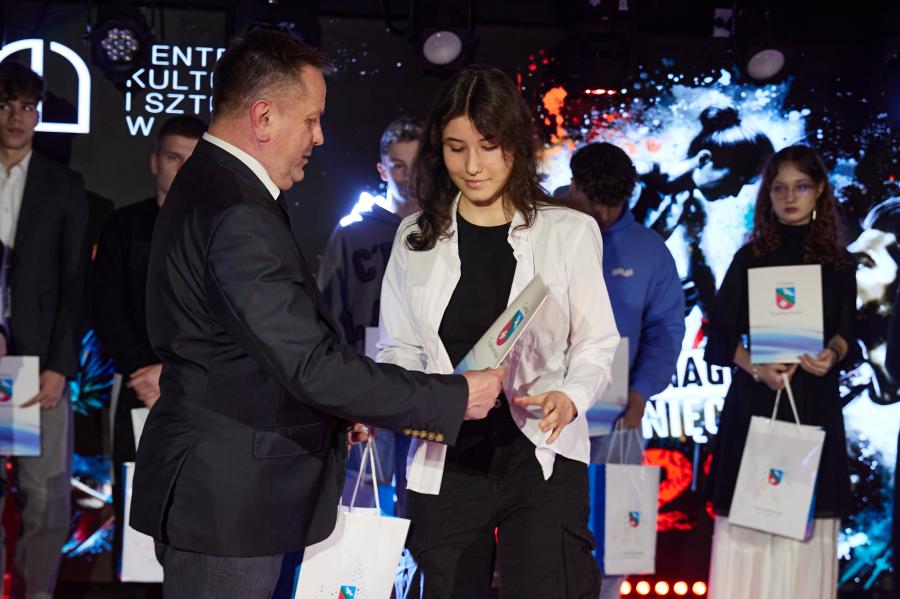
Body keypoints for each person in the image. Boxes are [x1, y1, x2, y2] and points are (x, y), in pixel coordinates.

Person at [129, 29, 504, 599]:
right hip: (230, 502)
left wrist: (330, 412)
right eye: (310, 120)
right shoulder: (236, 211)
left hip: (225, 490)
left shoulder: (215, 186)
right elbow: (307, 363)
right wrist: (452, 397)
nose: (319, 136)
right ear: (263, 118)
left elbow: (248, 354)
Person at [377, 65, 620, 599]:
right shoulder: (415, 237)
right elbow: (397, 347)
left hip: (541, 453)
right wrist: (421, 401)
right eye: (456, 148)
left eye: (488, 147)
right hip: (446, 457)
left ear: (515, 144)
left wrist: (571, 396)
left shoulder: (569, 231)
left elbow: (597, 341)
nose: (472, 166)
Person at [704, 145, 855, 599]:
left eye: (801, 187)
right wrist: (756, 367)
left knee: (807, 525)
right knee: (750, 521)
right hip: (755, 403)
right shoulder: (749, 258)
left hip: (814, 405)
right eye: (780, 188)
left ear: (820, 190)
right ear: (767, 194)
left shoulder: (839, 263)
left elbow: (848, 332)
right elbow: (719, 336)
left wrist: (832, 354)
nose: (790, 197)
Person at [92, 114, 206, 594]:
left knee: (195, 507)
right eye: (174, 158)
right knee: (134, 501)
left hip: (199, 392)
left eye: (192, 160)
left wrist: (172, 373)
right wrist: (143, 370)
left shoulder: (219, 228)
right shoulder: (123, 226)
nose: (181, 169)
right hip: (137, 388)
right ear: (155, 162)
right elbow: (106, 307)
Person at [566, 142, 684, 599]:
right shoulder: (545, 229)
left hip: (617, 414)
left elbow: (666, 328)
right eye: (592, 201)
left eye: (612, 204)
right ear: (574, 186)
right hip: (548, 411)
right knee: (546, 528)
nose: (602, 213)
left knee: (616, 536)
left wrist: (641, 393)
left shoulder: (650, 251)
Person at [0, 60, 90, 599]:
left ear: (38, 114)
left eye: (27, 107)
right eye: (6, 105)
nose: (17, 117)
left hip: (36, 365)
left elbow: (75, 283)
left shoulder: (62, 186)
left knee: (45, 497)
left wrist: (60, 365)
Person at [317, 116, 423, 514]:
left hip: (426, 384)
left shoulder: (448, 232)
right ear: (382, 170)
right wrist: (346, 393)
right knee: (362, 507)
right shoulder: (352, 232)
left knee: (421, 506)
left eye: (416, 163)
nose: (408, 176)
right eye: (398, 165)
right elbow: (329, 317)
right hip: (369, 385)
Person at [632, 106, 774, 326]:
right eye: (736, 180)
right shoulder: (633, 180)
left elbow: (700, 272)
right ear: (705, 158)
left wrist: (719, 324)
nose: (735, 193)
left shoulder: (692, 207)